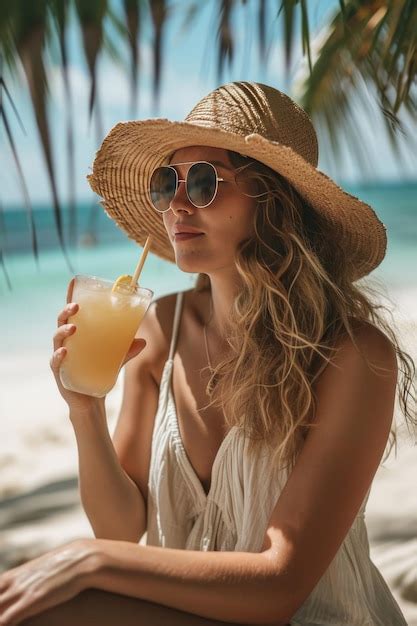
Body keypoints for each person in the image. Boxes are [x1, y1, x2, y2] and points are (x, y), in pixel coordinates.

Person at [1, 81, 415, 626]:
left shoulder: (353, 355)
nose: (175, 204)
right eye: (165, 182)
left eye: (202, 182)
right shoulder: (159, 330)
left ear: (274, 201)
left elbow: (280, 588)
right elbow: (121, 526)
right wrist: (84, 408)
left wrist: (91, 561)